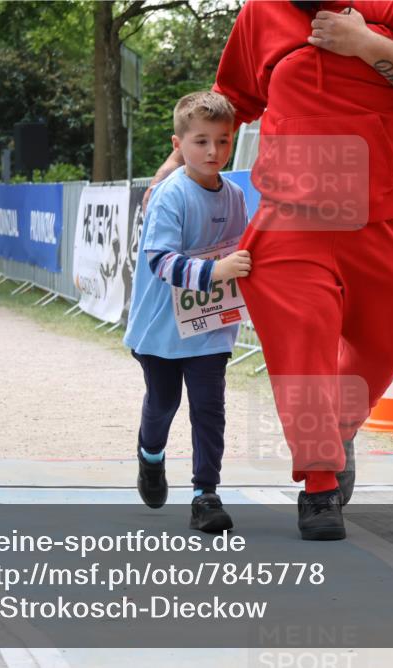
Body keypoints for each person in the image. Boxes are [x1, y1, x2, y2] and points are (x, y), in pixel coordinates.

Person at [146, 0, 393, 540]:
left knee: (386, 345)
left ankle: (334, 433)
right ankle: (319, 486)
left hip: (385, 215)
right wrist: (179, 160)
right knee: (303, 348)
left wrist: (366, 45)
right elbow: (231, 102)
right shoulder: (260, 13)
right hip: (293, 219)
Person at [123, 91, 252, 533]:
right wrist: (216, 270)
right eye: (201, 141)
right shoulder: (170, 196)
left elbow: (241, 255)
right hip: (160, 328)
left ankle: (206, 494)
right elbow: (159, 261)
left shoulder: (235, 196)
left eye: (222, 140)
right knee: (163, 403)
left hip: (210, 328)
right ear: (178, 145)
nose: (213, 151)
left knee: (209, 407)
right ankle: (150, 456)